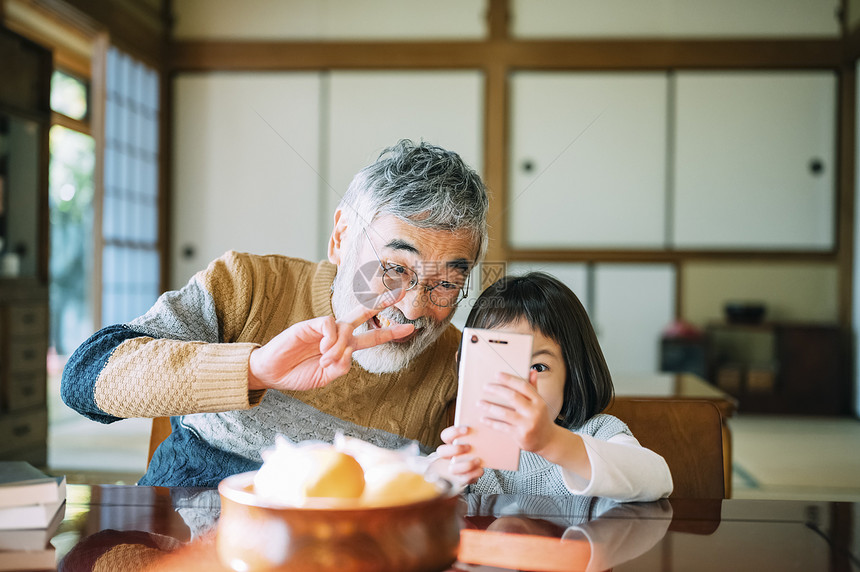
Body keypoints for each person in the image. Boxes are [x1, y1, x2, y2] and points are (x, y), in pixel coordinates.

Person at [61, 139, 489, 487]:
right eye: (394, 269)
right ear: (341, 238)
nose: (414, 308)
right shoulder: (249, 283)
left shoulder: (457, 361)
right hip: (180, 539)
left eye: (447, 283)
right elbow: (85, 379)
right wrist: (255, 370)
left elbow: (486, 491)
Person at [433, 272, 673, 502]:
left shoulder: (597, 432)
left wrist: (552, 441)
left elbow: (658, 479)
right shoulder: (467, 448)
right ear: (464, 368)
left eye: (538, 367)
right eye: (501, 364)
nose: (520, 385)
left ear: (573, 373)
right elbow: (412, 491)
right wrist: (446, 475)